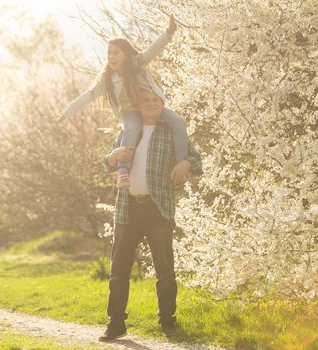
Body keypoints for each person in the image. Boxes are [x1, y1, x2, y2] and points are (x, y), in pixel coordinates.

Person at [98, 89, 203, 342]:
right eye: (146, 100)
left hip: (158, 208)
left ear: (162, 105)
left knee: (165, 270)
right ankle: (116, 324)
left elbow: (197, 162)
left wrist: (185, 164)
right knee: (119, 269)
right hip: (127, 208)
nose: (151, 104)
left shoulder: (171, 133)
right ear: (138, 105)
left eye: (156, 100)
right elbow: (107, 162)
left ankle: (168, 323)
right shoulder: (128, 133)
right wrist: (113, 157)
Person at [61, 15, 188, 189]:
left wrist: (168, 33)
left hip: (151, 106)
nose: (111, 57)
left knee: (178, 122)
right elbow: (89, 95)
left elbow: (152, 50)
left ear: (126, 55)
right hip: (130, 111)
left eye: (115, 52)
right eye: (109, 53)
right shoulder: (107, 79)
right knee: (131, 128)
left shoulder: (136, 64)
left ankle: (182, 163)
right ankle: (123, 171)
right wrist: (67, 112)